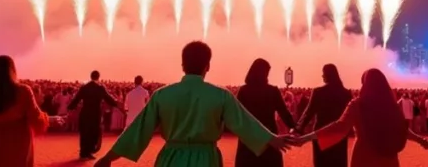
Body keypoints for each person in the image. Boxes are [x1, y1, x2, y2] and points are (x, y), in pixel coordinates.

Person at [93, 41, 292, 167]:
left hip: (170, 158)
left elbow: (138, 130)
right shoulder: (221, 96)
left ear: (182, 65)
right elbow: (244, 123)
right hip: (207, 159)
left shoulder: (162, 95)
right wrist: (273, 139)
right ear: (208, 65)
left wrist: (109, 157)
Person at [296, 68, 424, 167]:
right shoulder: (392, 106)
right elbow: (401, 128)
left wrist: (306, 137)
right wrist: (422, 140)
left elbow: (339, 127)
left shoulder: (358, 104)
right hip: (388, 158)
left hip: (364, 156)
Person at [234, 59, 296, 167]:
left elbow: (236, 116)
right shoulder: (272, 91)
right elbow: (285, 114)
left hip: (248, 140)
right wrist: (297, 129)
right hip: (270, 138)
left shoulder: (243, 91)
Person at [295, 64, 352, 167]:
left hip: (320, 134)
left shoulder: (318, 92)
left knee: (322, 163)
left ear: (326, 75)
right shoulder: (346, 93)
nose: (322, 76)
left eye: (323, 73)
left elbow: (308, 113)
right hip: (338, 134)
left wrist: (298, 130)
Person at [69, 70, 118, 159]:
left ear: (91, 76)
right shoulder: (100, 87)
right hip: (95, 114)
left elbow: (76, 99)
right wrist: (116, 103)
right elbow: (109, 99)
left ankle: (83, 152)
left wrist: (70, 107)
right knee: (93, 133)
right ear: (98, 77)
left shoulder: (84, 87)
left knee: (84, 133)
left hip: (85, 113)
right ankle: (89, 151)